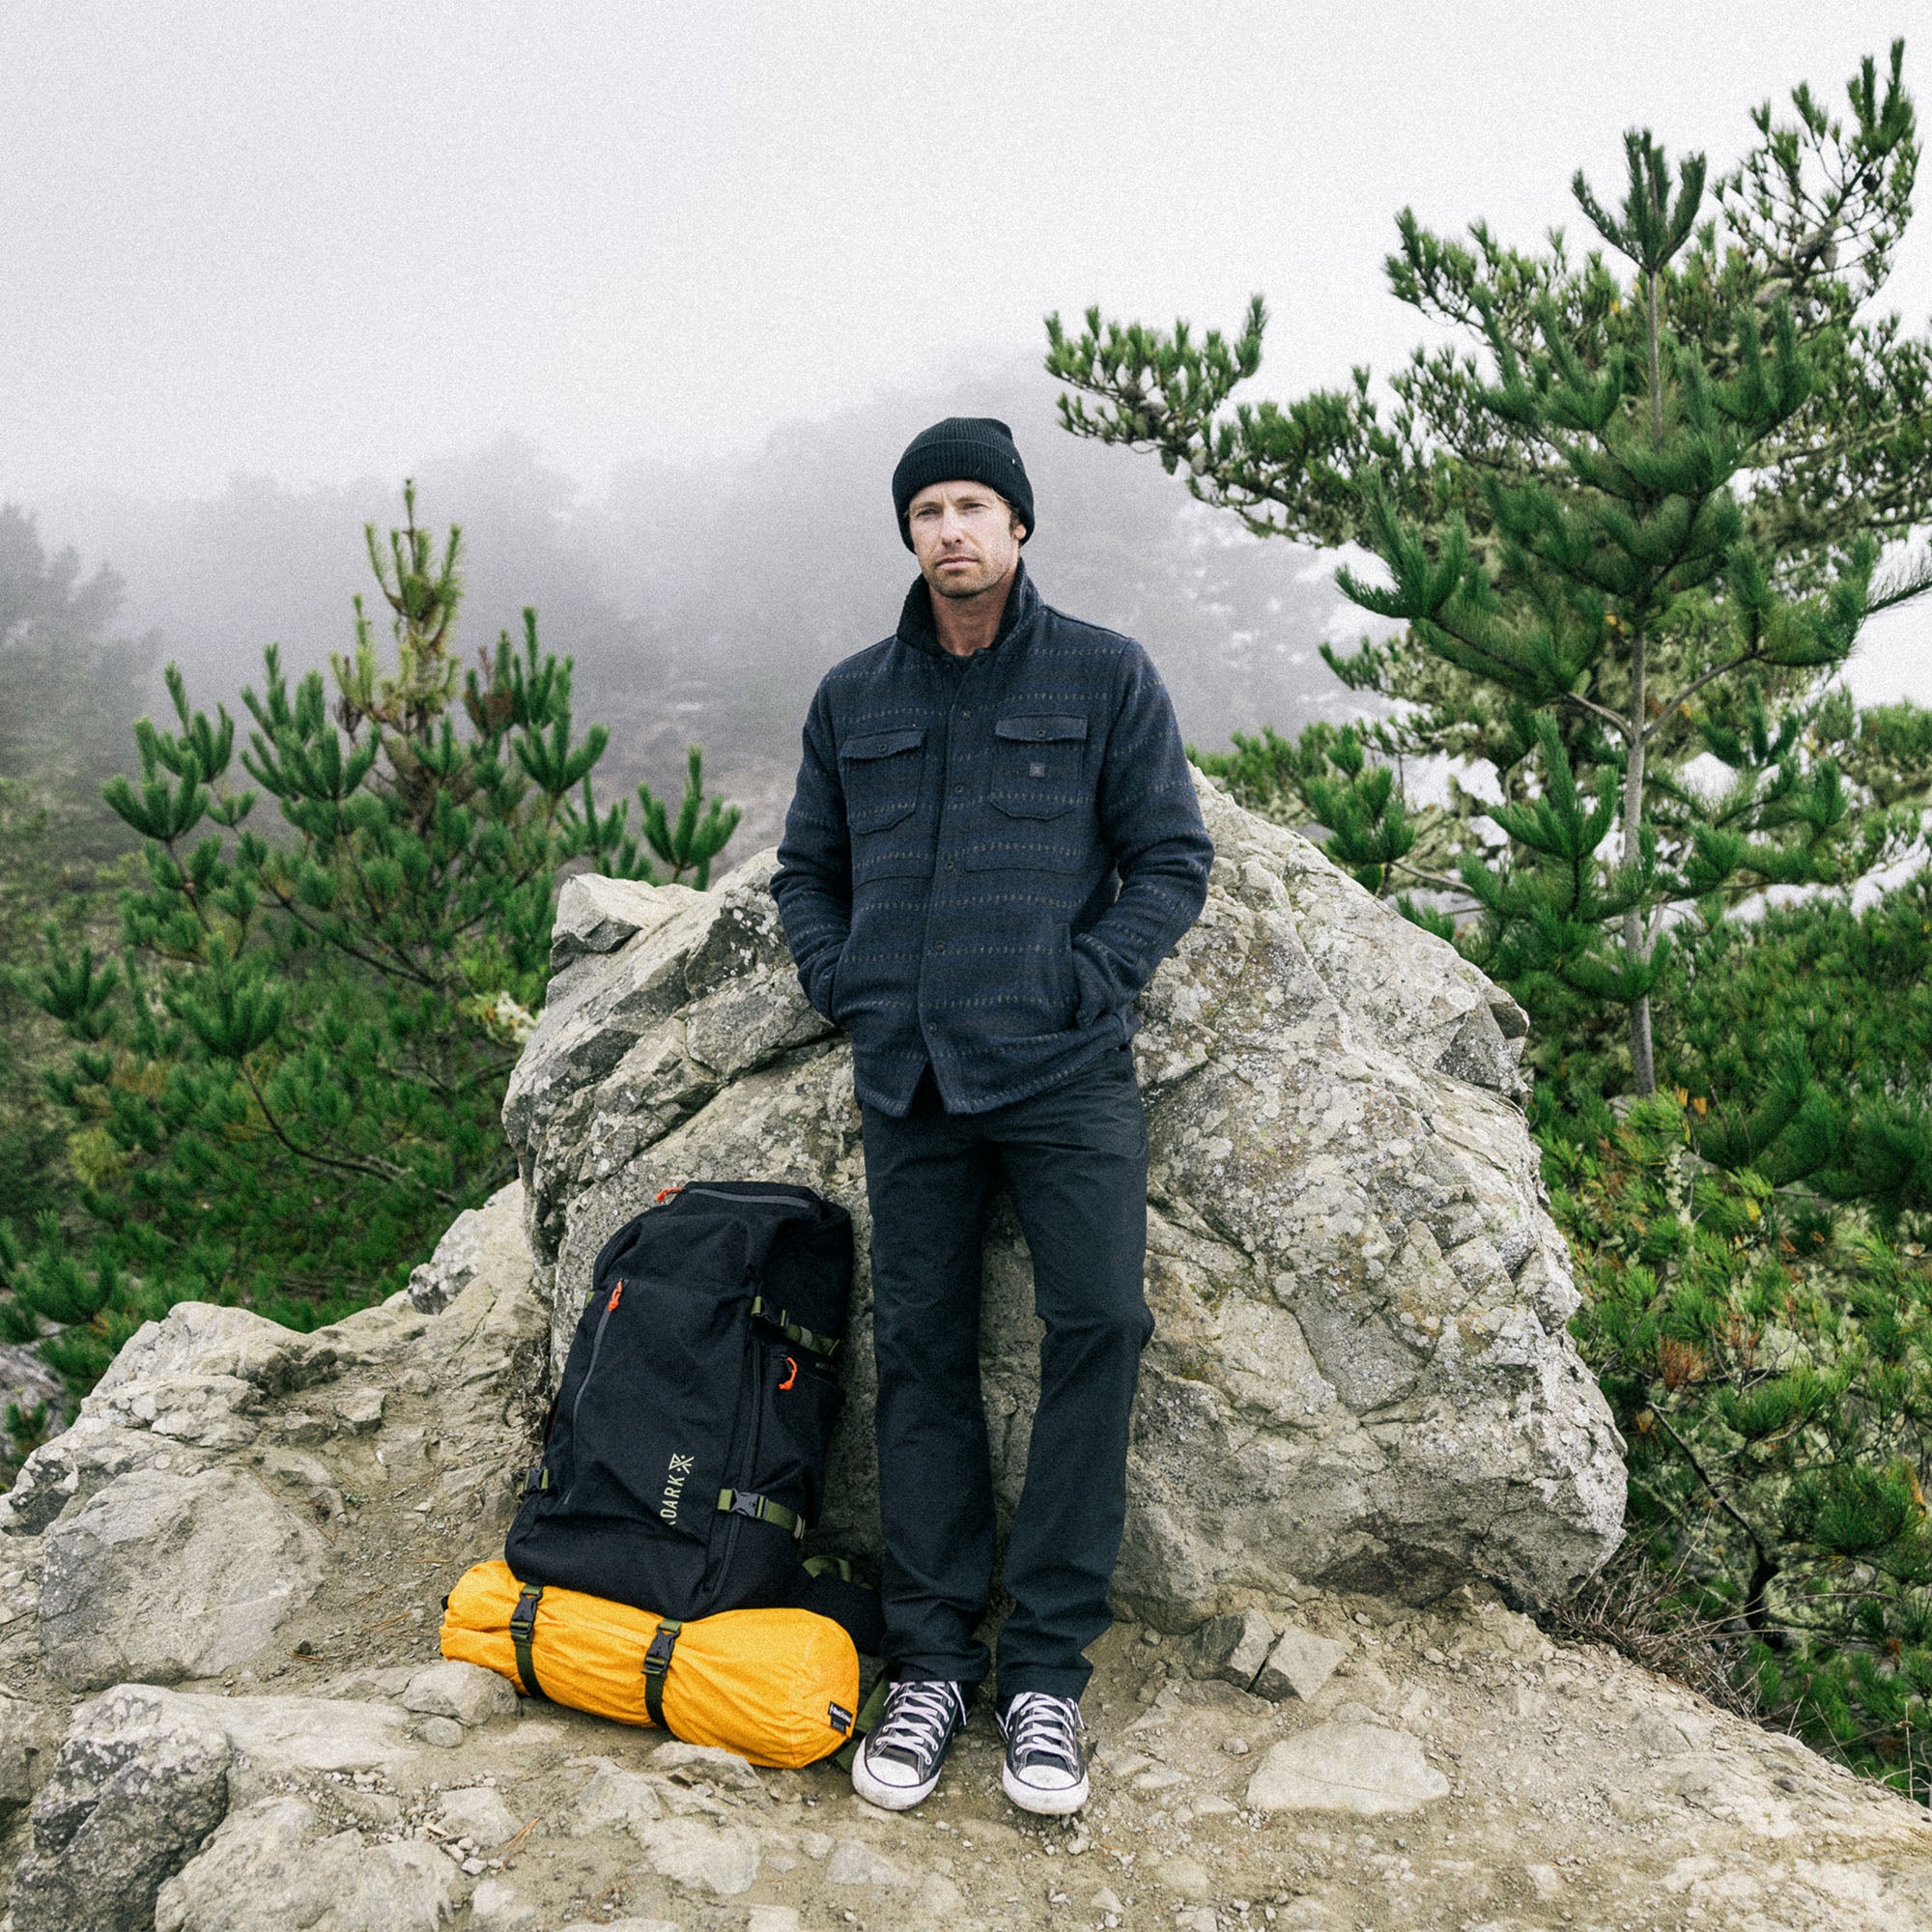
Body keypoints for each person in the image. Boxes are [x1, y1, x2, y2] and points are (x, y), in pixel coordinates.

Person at [770, 416, 1212, 1817]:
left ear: (1019, 528)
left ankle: (1044, 1677)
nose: (951, 530)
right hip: (908, 1080)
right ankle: (928, 1667)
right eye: (928, 511)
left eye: (975, 506)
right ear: (909, 536)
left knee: (1101, 1326)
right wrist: (848, 986)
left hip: (1068, 1074)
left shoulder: (1104, 675)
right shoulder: (853, 699)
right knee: (924, 1357)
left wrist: (1088, 978)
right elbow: (805, 871)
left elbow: (1170, 858)